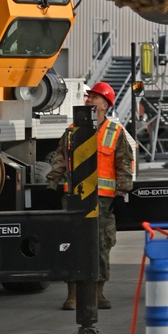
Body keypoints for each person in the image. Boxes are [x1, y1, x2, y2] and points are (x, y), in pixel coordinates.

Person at [47, 81, 133, 310]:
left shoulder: (115, 133)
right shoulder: (72, 131)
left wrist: (121, 194)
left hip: (103, 200)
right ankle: (73, 294)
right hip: (75, 198)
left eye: (94, 97)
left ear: (105, 104)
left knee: (102, 245)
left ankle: (98, 293)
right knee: (73, 244)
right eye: (88, 97)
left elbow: (124, 164)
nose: (88, 100)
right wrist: (51, 185)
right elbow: (59, 160)